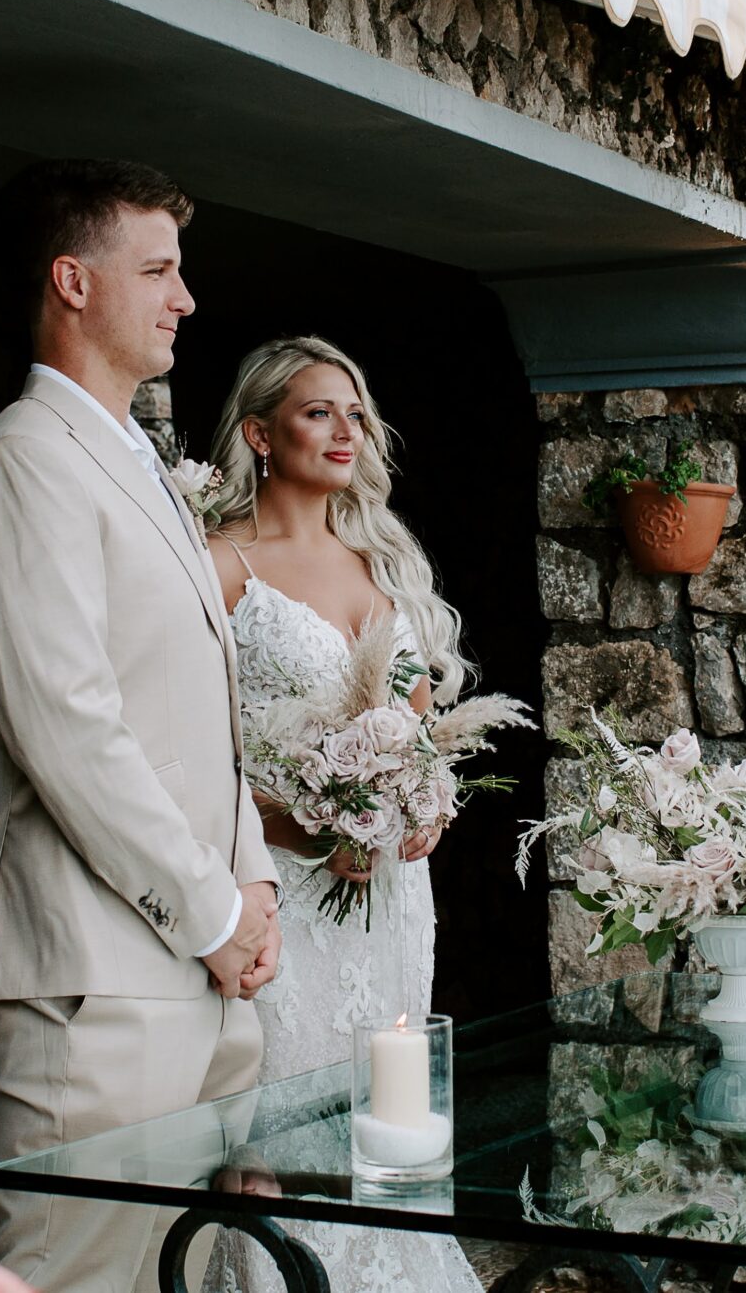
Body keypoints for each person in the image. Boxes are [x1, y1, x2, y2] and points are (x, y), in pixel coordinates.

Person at [0, 158, 283, 1293]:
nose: (184, 296)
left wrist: (254, 883)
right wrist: (212, 910)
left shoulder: (137, 460)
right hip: (94, 977)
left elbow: (203, 713)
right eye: (158, 269)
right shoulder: (21, 462)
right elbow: (69, 728)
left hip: (203, 969)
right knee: (78, 1278)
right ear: (72, 280)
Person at [199, 337, 481, 1293]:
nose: (345, 430)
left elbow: (415, 723)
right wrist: (297, 826)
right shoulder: (221, 563)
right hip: (288, 899)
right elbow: (192, 750)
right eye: (320, 411)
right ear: (260, 433)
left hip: (396, 900)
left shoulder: (382, 560)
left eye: (355, 413)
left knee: (391, 1113)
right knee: (286, 1124)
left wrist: (422, 801)